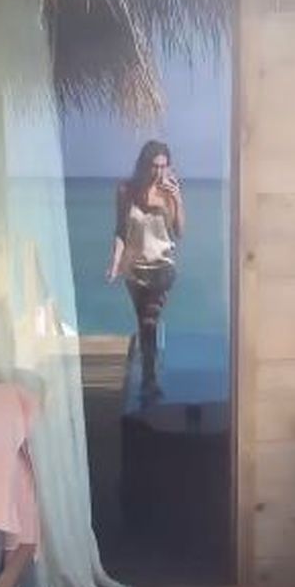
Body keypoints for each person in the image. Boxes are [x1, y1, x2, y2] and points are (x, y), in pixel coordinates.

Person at [107, 141, 185, 403]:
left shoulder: (169, 191)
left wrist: (177, 199)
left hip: (163, 268)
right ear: (143, 164)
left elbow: (179, 232)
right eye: (154, 166)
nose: (158, 172)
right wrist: (115, 263)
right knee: (144, 322)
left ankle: (149, 380)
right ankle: (149, 378)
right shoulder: (126, 191)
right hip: (135, 270)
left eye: (163, 166)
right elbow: (121, 231)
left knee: (149, 320)